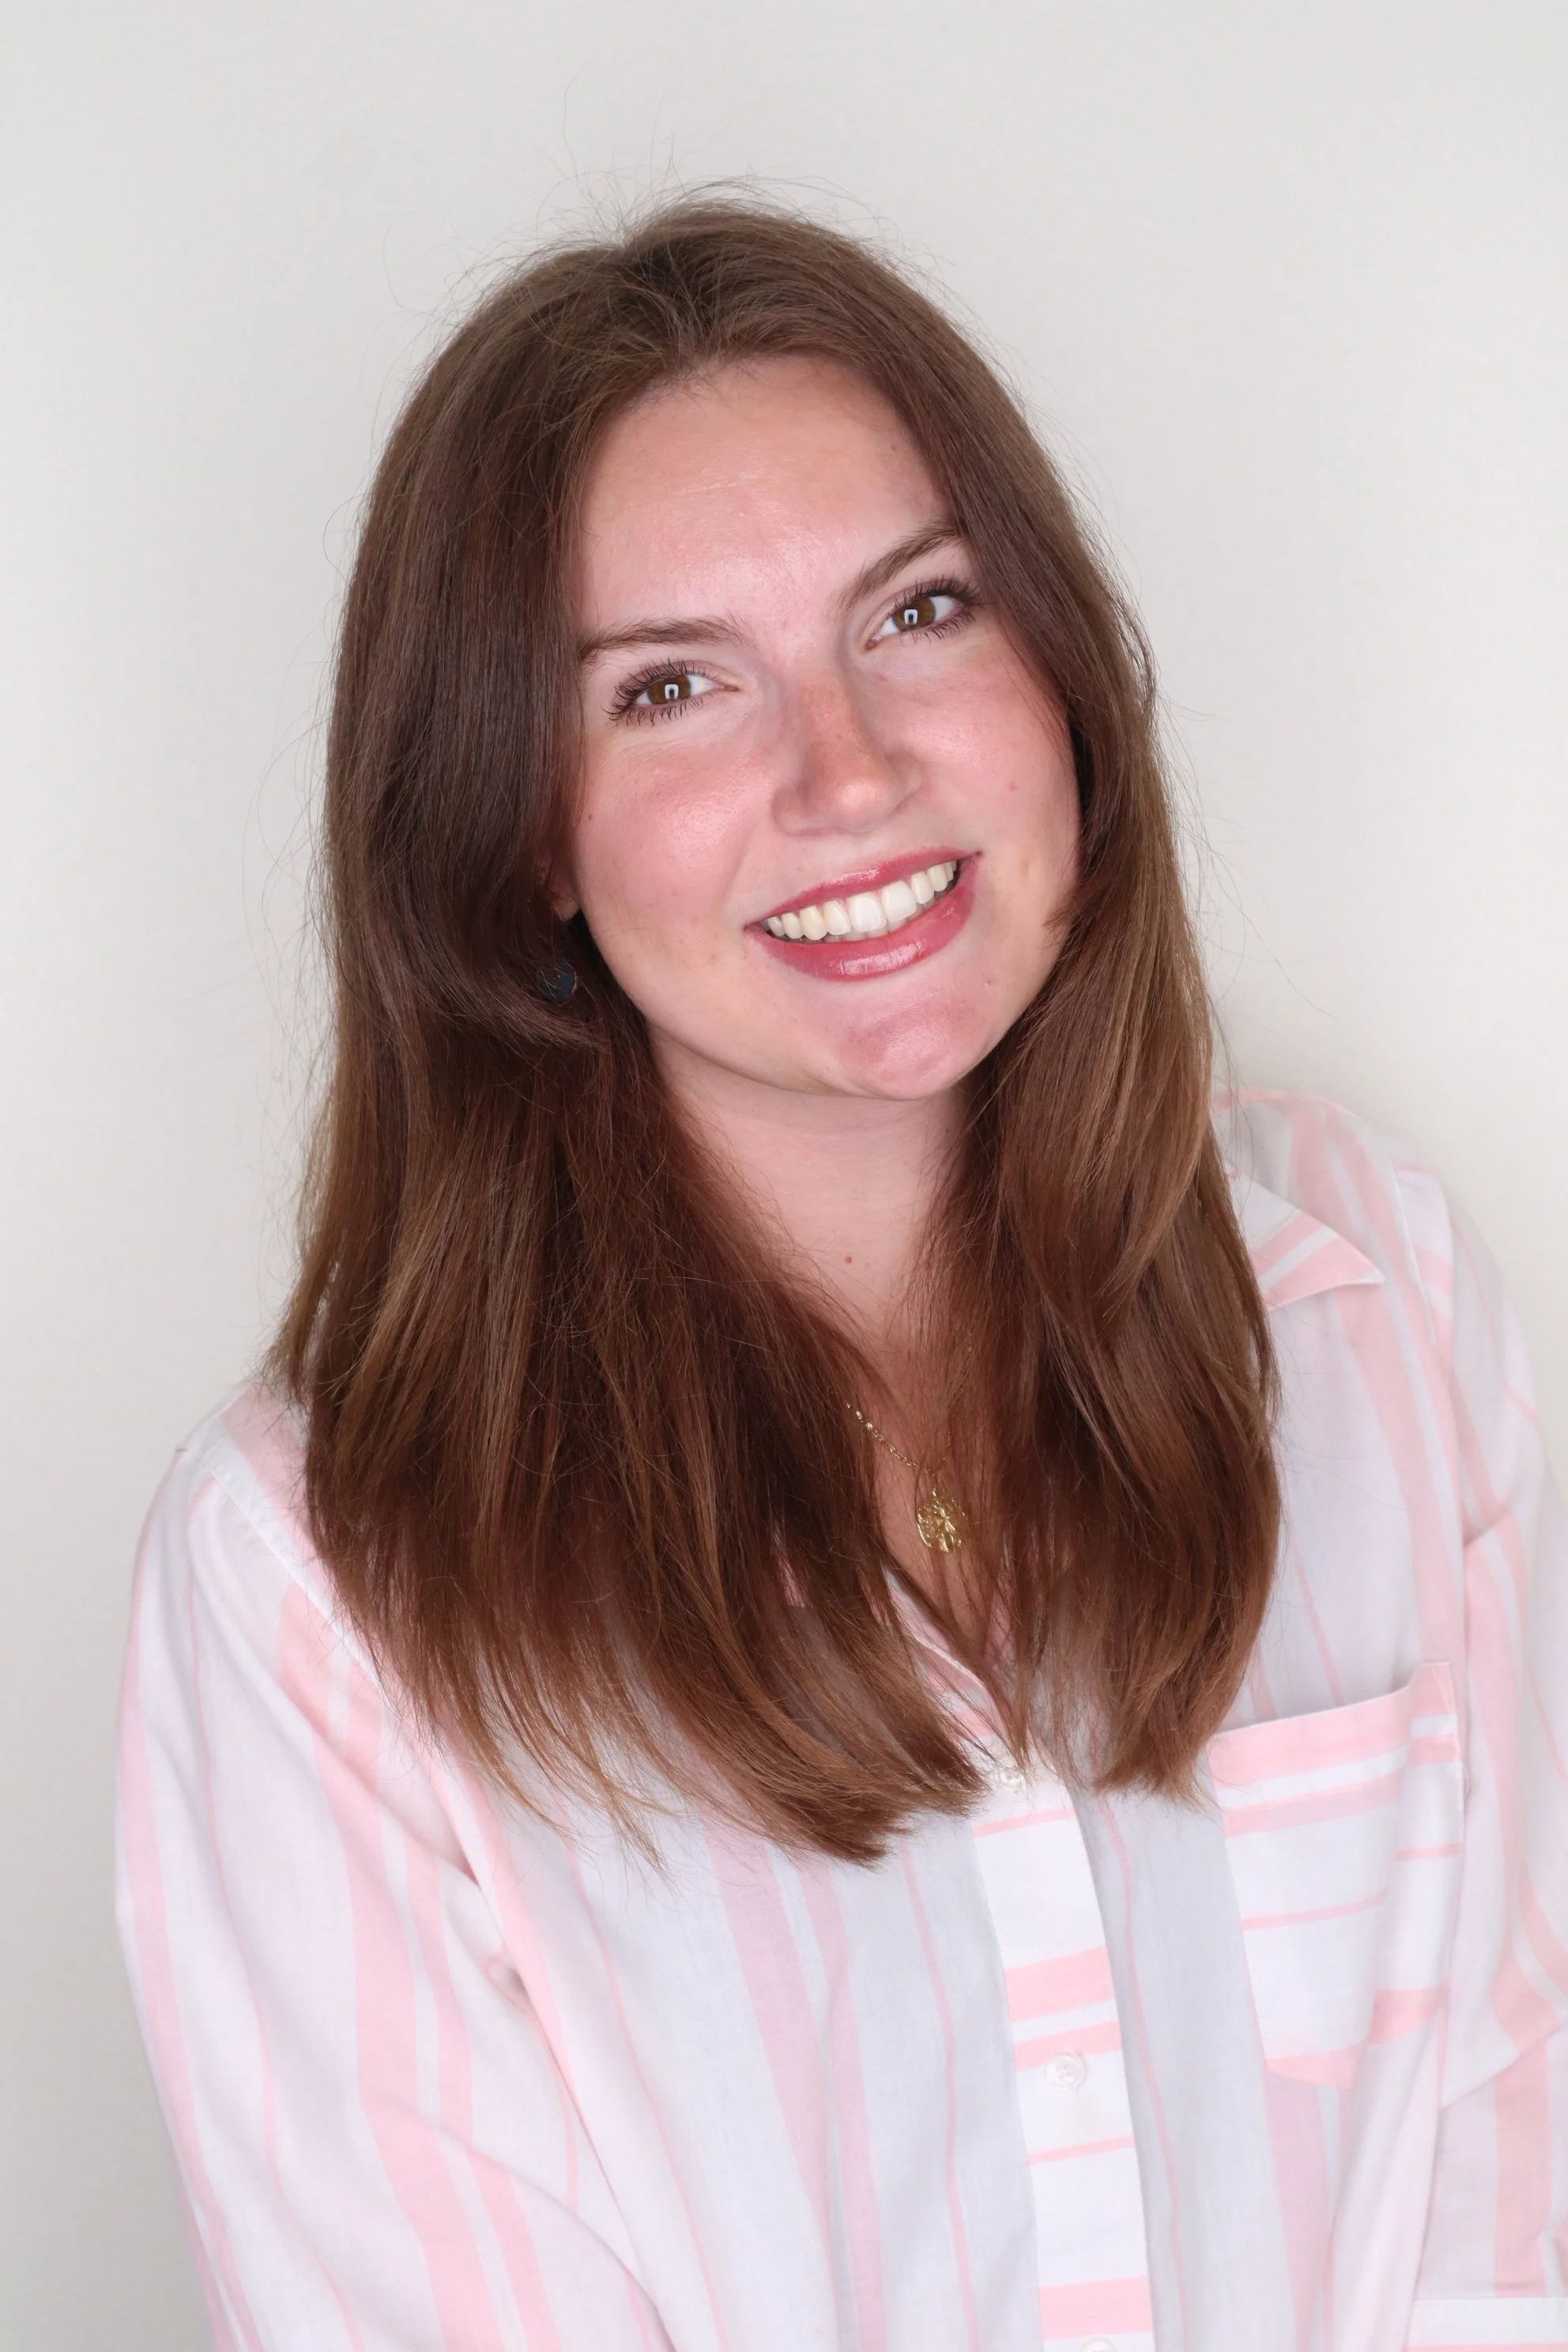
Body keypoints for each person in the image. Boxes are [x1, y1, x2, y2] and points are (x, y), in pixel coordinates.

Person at [115, 198, 1568, 2352]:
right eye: (674, 687)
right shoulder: (318, 1587)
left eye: (922, 611)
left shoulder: (1373, 1300)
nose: (853, 772)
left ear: (1063, 680)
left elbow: (1508, 2178)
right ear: (518, 830)